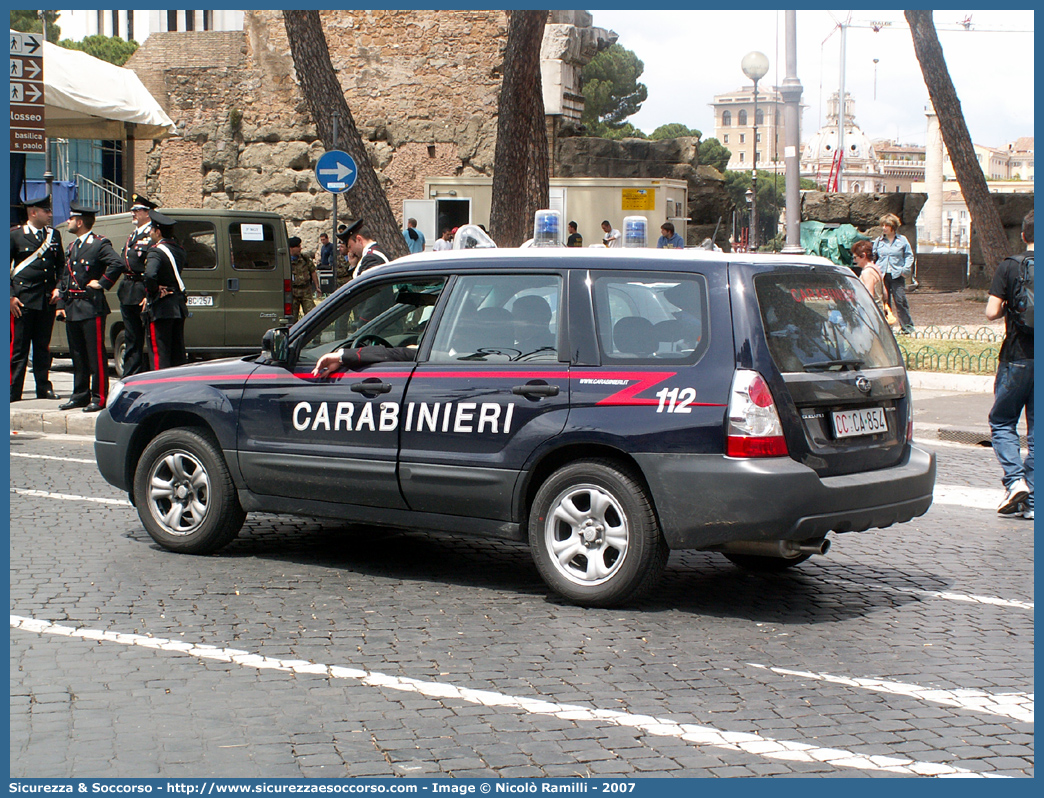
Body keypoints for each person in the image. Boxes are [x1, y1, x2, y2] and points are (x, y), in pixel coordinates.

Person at [986, 210, 1034, 520]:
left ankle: (1015, 481)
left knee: (1003, 421)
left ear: (1023, 235)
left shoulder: (1010, 266)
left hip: (1017, 356)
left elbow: (991, 312)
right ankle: (1032, 496)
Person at [56, 202, 124, 412]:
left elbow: (117, 263)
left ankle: (99, 396)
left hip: (90, 305)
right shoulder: (72, 246)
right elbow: (65, 276)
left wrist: (102, 282)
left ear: (80, 221)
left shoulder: (99, 244)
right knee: (77, 354)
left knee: (95, 354)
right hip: (73, 306)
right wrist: (60, 303)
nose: (68, 222)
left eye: (71, 219)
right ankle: (80, 394)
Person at [10, 195, 64, 402]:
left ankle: (44, 387)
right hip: (22, 301)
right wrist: (10, 297)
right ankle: (14, 389)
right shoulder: (15, 235)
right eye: (46, 211)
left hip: (46, 299)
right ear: (33, 212)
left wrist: (59, 288)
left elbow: (61, 265)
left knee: (43, 347)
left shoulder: (54, 235)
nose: (50, 214)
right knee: (19, 348)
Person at [117, 193, 158, 377]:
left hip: (142, 290)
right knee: (131, 337)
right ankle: (130, 375)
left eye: (137, 210)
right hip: (128, 291)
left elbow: (153, 268)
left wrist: (148, 294)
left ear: (147, 213)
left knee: (148, 339)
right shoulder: (133, 234)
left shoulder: (151, 235)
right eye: (133, 210)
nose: (133, 213)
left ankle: (148, 375)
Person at [143, 210, 189, 370]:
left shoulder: (156, 251)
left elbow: (149, 275)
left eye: (151, 230)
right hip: (178, 305)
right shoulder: (179, 250)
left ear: (158, 231)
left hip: (162, 307)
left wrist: (154, 290)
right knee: (177, 353)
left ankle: (159, 390)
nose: (149, 233)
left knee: (159, 353)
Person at [872, 213, 916, 334]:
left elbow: (909, 255)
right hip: (882, 275)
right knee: (884, 301)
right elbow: (874, 257)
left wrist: (905, 270)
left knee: (900, 300)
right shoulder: (878, 241)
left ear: (893, 227)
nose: (884, 228)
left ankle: (907, 327)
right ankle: (887, 328)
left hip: (897, 274)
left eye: (887, 225)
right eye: (883, 225)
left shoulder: (902, 240)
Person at [852, 239, 890, 320]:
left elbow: (868, 297)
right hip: (879, 312)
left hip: (871, 315)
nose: (854, 260)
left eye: (855, 257)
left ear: (863, 255)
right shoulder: (876, 268)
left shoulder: (867, 272)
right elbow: (885, 294)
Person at [289, 235, 320, 321]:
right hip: (293, 292)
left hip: (306, 290)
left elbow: (313, 271)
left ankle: (315, 334)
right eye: (298, 246)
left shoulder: (304, 258)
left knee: (312, 315)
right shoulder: (286, 261)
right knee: (292, 318)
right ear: (291, 248)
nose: (300, 248)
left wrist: (317, 286)